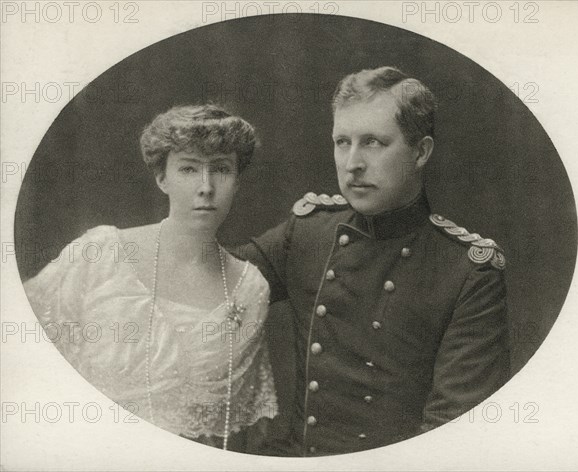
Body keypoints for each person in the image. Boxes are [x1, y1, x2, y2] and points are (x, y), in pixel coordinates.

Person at [232, 67, 510, 456]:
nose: (352, 163)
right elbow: (213, 283)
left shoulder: (466, 271)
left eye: (374, 143)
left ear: (421, 152)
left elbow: (454, 431)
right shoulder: (308, 233)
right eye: (342, 142)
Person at [23, 104, 277, 451]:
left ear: (237, 181)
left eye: (221, 169)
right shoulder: (100, 255)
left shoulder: (249, 288)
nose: (206, 187)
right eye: (188, 169)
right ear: (162, 178)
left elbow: (242, 429)